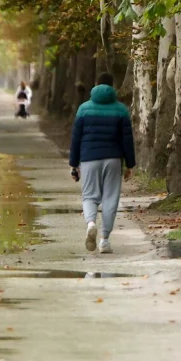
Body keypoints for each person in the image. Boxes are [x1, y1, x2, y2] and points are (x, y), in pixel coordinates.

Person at [69, 72, 135, 254]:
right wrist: (130, 164)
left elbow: (76, 138)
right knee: (110, 199)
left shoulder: (84, 109)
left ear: (96, 85)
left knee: (89, 196)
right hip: (113, 159)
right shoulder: (121, 110)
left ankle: (91, 223)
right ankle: (105, 240)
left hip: (89, 158)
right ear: (113, 86)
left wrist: (73, 164)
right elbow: (127, 140)